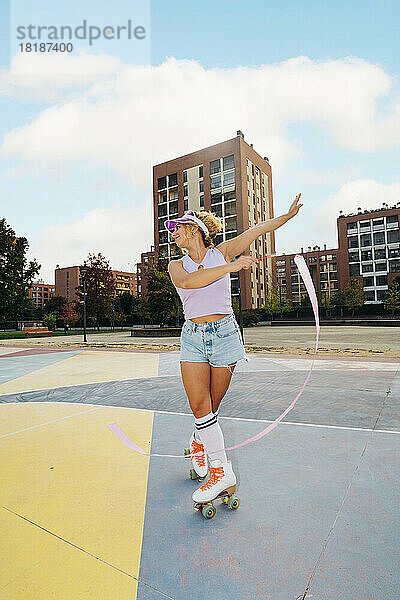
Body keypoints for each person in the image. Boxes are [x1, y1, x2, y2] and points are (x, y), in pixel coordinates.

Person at [165, 193, 302, 505]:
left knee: (212, 406)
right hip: (193, 337)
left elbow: (259, 229)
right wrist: (231, 268)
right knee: (200, 406)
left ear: (195, 228)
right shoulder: (176, 266)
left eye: (177, 225)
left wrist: (288, 216)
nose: (172, 231)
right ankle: (220, 471)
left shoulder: (222, 251)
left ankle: (199, 442)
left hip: (225, 334)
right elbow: (190, 283)